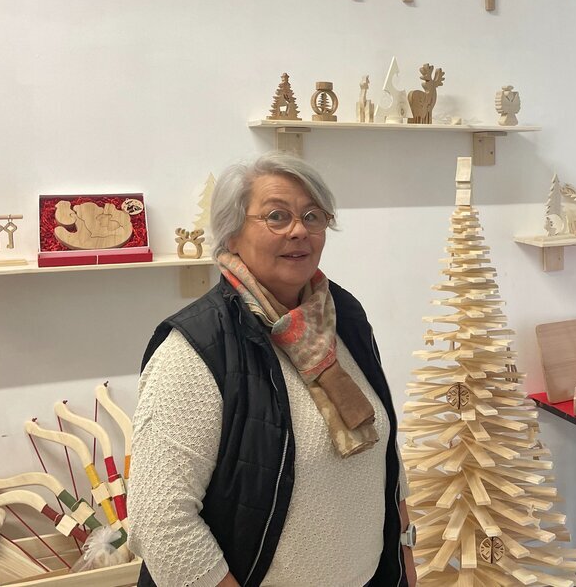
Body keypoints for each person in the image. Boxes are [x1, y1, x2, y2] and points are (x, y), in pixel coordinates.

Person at [128, 152, 416, 587]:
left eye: (312, 216)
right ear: (231, 234)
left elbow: (385, 456)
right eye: (277, 216)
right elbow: (160, 521)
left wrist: (405, 553)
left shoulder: (344, 317)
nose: (299, 230)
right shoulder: (196, 349)